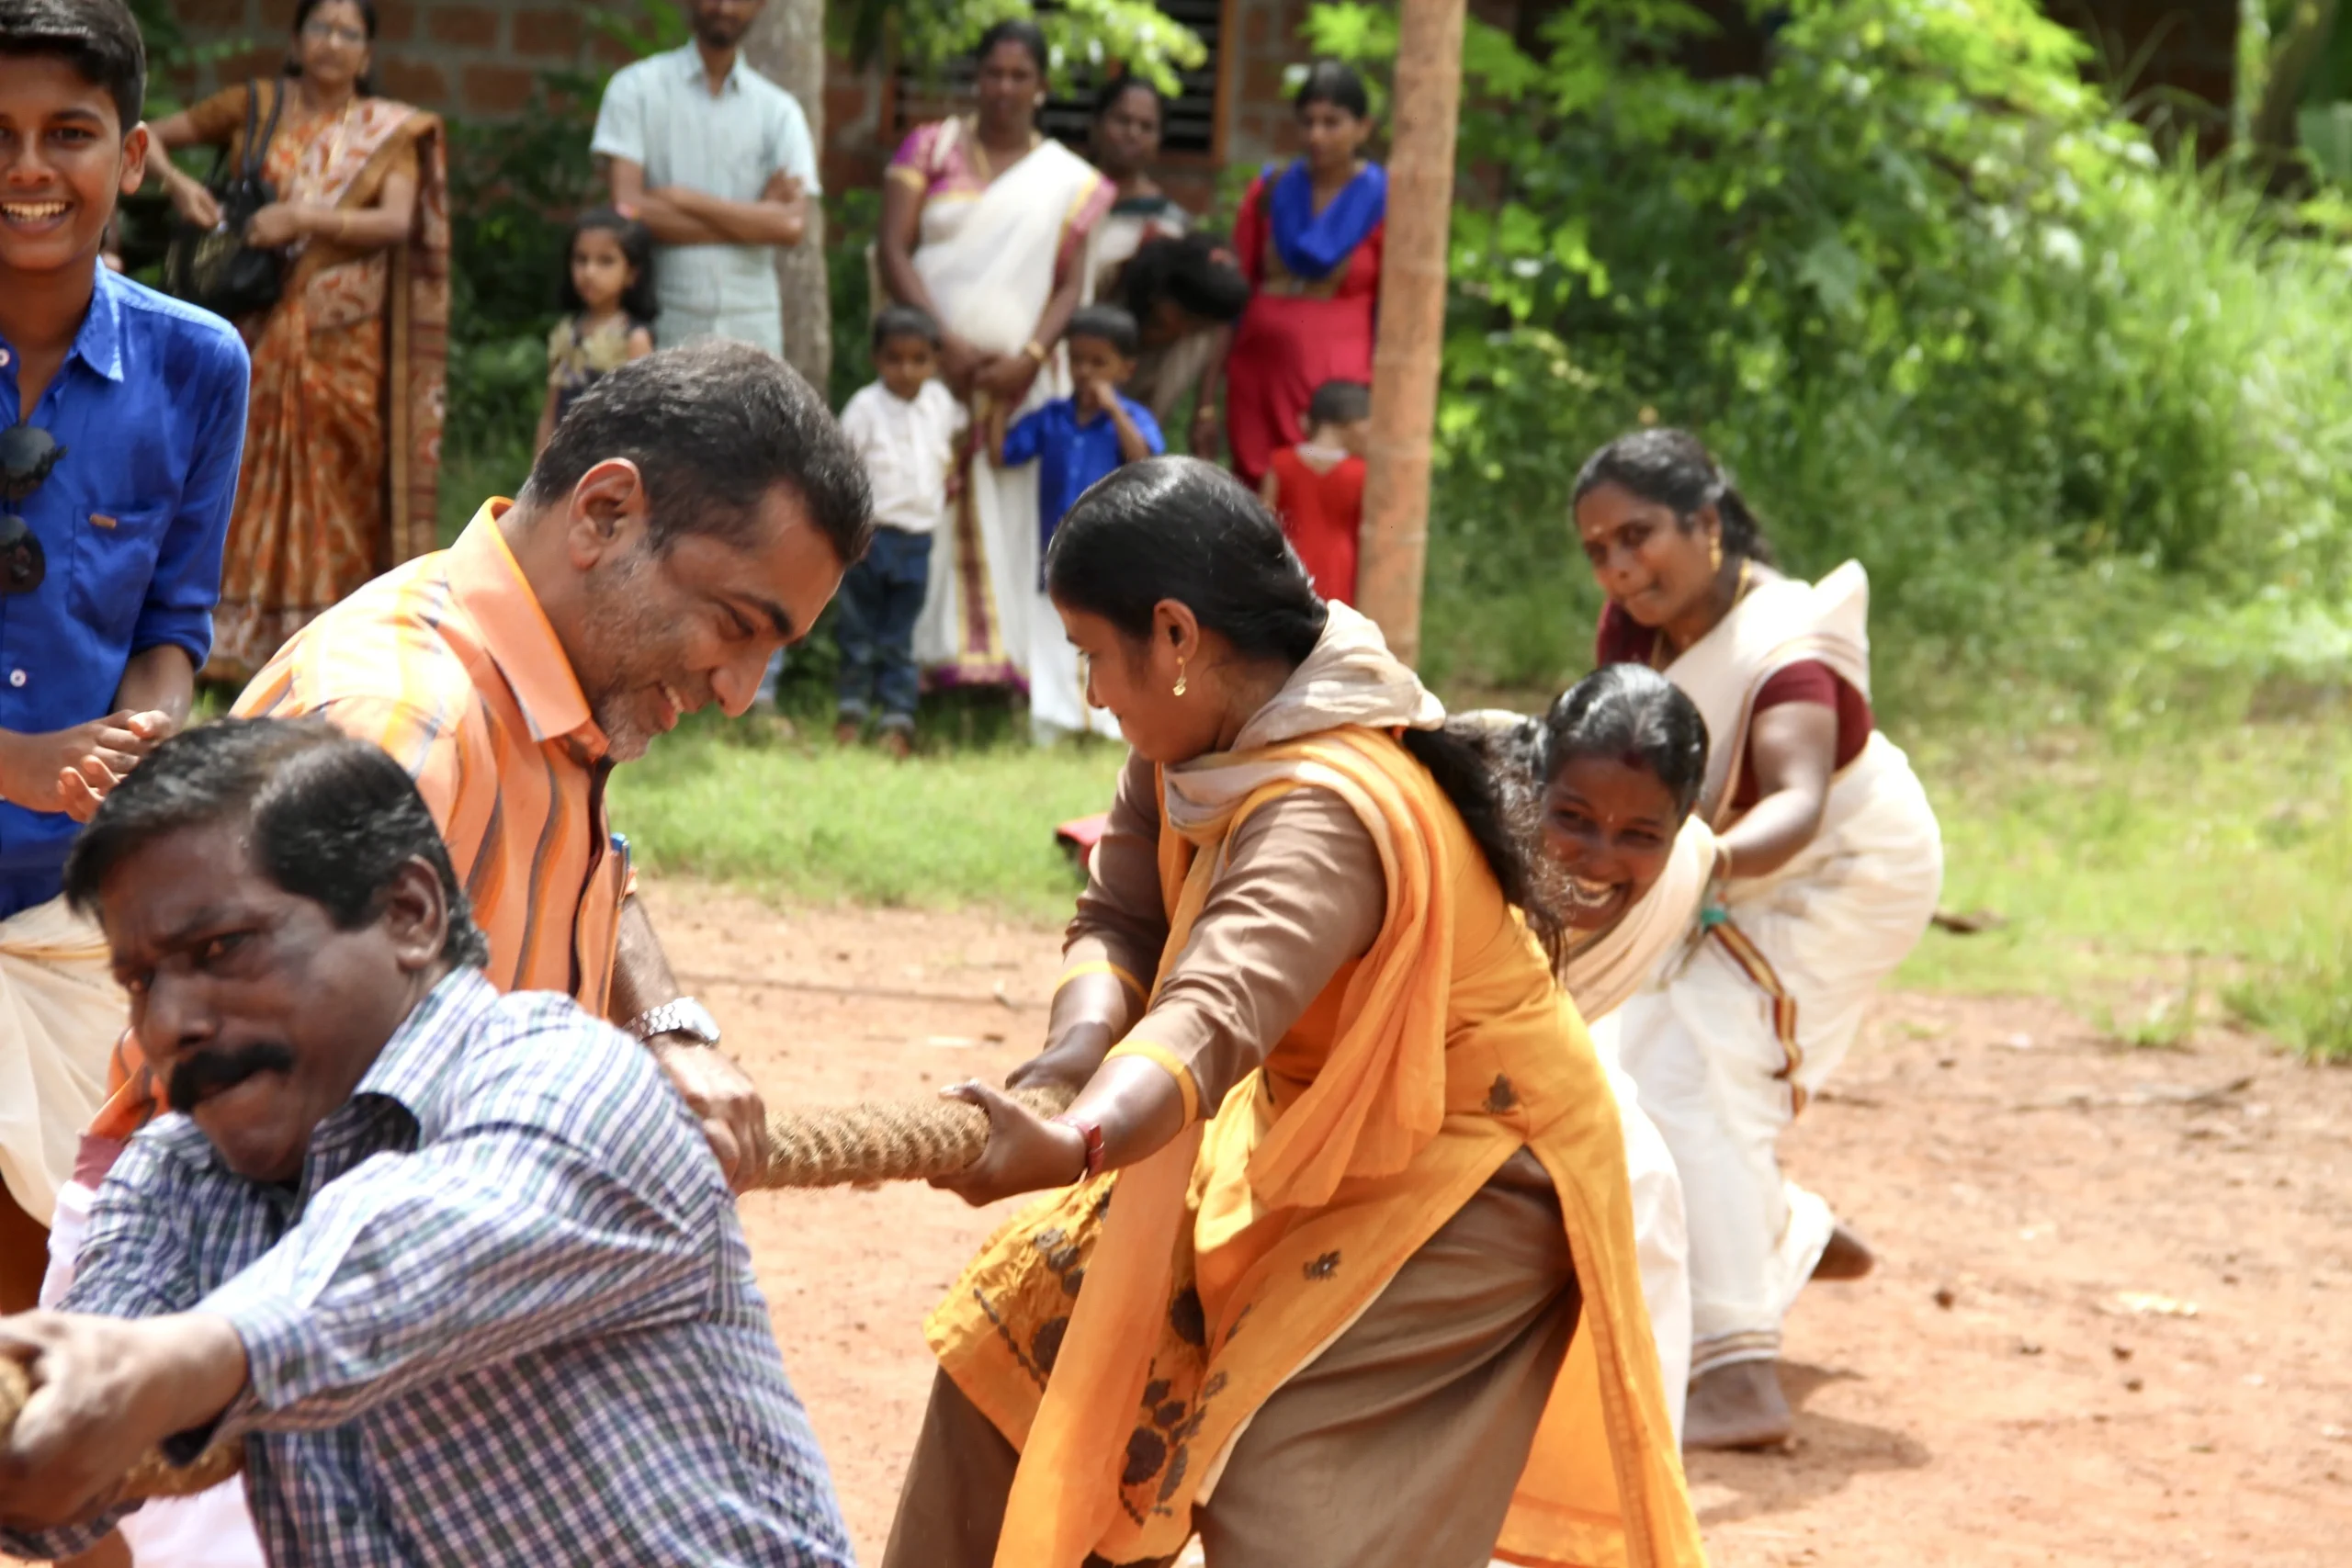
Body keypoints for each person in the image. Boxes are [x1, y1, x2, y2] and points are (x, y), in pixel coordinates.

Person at [47, 343, 870, 1562]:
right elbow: (282, 1165)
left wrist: (666, 1019)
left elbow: (595, 854)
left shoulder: (544, 682)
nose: (741, 688)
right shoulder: (403, 722)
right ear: (605, 512)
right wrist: (169, 1359)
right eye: (739, 624)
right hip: (271, 1273)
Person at [882, 457, 1703, 1568]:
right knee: (1016, 1346)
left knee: (1285, 1499)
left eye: (1091, 654)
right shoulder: (1197, 744)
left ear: (1174, 636)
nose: (1093, 694)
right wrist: (1068, 1060)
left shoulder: (1328, 804)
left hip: (1467, 1172)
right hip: (1294, 1134)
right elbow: (1119, 917)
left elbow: (1209, 1012)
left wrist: (1077, 1141)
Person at [0, 719, 856, 1567]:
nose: (167, 1024)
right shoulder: (179, 1177)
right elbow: (58, 1477)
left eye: (221, 948)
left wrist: (169, 1363)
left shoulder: (573, 1080)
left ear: (409, 914)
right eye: (141, 980)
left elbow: (411, 1256)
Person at [1576, 426, 1943, 1450]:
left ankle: (1736, 1373)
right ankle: (1787, 1232)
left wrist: (1687, 867)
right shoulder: (1636, 627)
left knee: (1701, 1068)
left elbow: (1796, 801)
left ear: (1705, 521)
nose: (1619, 567)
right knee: (1623, 1049)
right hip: (1719, 866)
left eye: (1638, 536)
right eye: (1599, 550)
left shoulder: (1787, 647)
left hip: (1844, 870)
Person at [0, 0, 248, 1319]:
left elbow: (172, 625)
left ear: (135, 156)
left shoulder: (198, 367)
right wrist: (18, 762)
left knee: (63, 1298)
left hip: (69, 916)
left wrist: (141, 742)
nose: (27, 168)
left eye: (68, 133)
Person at [146, 0, 448, 683]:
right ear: (295, 39)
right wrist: (181, 186)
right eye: (320, 27)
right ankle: (221, 642)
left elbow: (396, 221)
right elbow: (144, 135)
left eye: (349, 33)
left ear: (367, 54)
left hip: (344, 343)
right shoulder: (255, 104)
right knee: (235, 470)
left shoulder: (389, 131)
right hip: (250, 327)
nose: (333, 43)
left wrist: (304, 218)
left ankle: (325, 639)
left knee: (339, 480)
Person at [876, 18, 1114, 695]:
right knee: (921, 506)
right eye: (993, 73)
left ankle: (1017, 675)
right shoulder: (932, 148)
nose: (1004, 87)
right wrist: (940, 343)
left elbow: (1070, 284)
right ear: (976, 78)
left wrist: (1032, 356)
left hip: (1022, 384)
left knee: (1017, 518)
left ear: (1041, 87)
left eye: (1019, 76)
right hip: (928, 372)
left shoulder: (1067, 179)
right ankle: (917, 675)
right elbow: (893, 248)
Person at [591, 0, 815, 355]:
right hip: (662, 325)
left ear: (760, 4)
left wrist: (681, 199)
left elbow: (789, 226)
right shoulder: (635, 89)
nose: (725, 7)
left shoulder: (779, 111)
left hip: (753, 329)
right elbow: (627, 209)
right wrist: (756, 220)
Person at [990, 303, 1162, 741]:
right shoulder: (1052, 417)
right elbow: (1003, 454)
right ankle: (1051, 725)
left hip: (1112, 556)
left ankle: (1112, 725)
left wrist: (1113, 408)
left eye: (1099, 363)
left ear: (1125, 369)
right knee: (1051, 634)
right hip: (1056, 551)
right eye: (1078, 360)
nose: (1085, 372)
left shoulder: (1132, 418)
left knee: (1111, 636)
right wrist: (997, 401)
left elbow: (1144, 460)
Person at [1209, 60, 1384, 488]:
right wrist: (1207, 398)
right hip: (1257, 380)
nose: (1316, 135)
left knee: (1323, 501)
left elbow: (1394, 312)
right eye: (1307, 122)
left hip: (1337, 395)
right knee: (1254, 501)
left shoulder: (1385, 202)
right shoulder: (1271, 190)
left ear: (1363, 128)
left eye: (1332, 122)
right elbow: (1234, 294)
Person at [833, 305, 965, 757]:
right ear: (876, 359)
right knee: (857, 629)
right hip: (871, 537)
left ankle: (897, 717)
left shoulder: (940, 404)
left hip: (918, 539)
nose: (906, 370)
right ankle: (851, 711)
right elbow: (843, 465)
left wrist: (951, 474)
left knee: (901, 634)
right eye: (895, 359)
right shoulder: (865, 407)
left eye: (918, 360)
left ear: (935, 362)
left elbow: (958, 435)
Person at [1083, 73, 1234, 440]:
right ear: (1097, 125)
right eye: (1122, 120)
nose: (1132, 133)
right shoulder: (1065, 195)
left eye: (1146, 127)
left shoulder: (1169, 223)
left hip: (1131, 380)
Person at [534, 207, 656, 457]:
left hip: (610, 460)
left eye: (605, 261)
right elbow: (550, 413)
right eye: (581, 259)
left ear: (631, 274)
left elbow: (641, 422)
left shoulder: (633, 339)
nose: (589, 272)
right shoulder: (567, 334)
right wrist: (538, 469)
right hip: (564, 460)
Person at [1260, 377, 1369, 604]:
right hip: (1341, 568)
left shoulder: (1280, 463)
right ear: (1350, 422)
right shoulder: (1361, 473)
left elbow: (1263, 524)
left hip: (1289, 564)